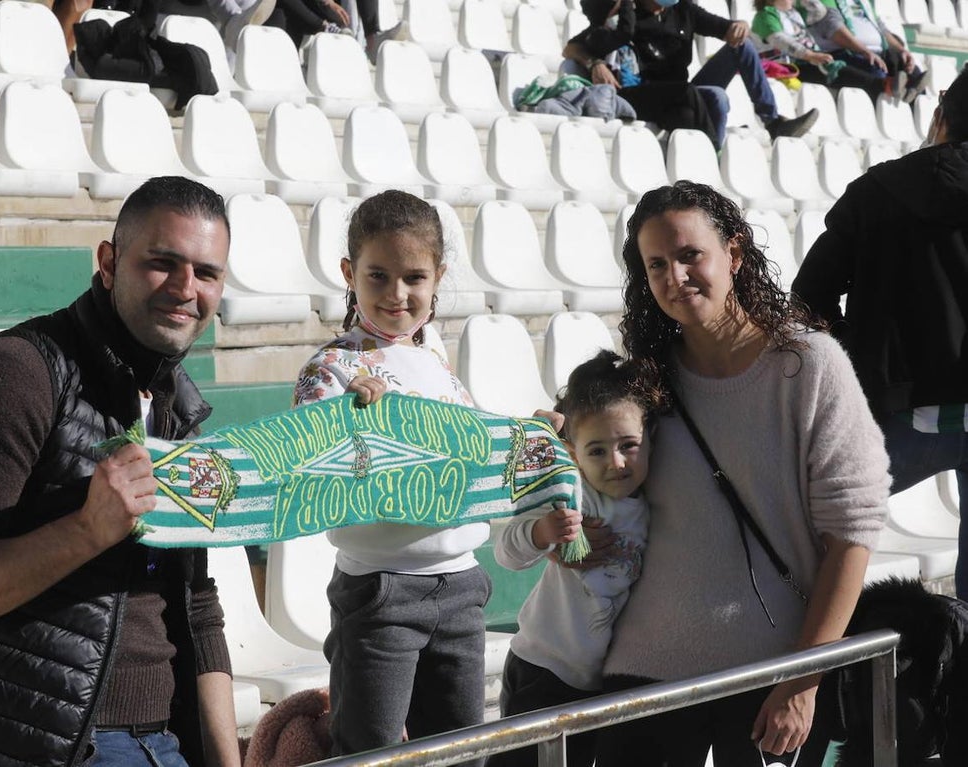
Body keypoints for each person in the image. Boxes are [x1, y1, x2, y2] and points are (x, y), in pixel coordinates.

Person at [0, 177, 243, 767]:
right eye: (161, 263)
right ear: (107, 261)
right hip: (48, 744)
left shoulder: (176, 403)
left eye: (206, 273)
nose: (184, 289)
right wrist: (87, 529)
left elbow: (196, 601)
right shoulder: (15, 370)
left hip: (166, 740)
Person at [591, 181, 890, 766]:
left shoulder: (809, 366)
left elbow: (852, 535)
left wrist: (802, 679)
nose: (674, 277)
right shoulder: (643, 380)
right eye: (656, 265)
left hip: (770, 675)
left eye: (688, 255)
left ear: (734, 252)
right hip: (645, 668)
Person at [292, 190, 491, 760]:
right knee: (369, 754)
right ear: (349, 274)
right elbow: (313, 471)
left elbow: (474, 455)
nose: (397, 294)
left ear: (438, 278)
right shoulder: (331, 368)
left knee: (460, 753)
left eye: (414, 277)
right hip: (379, 592)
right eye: (378, 275)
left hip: (462, 586)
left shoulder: (437, 361)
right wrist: (342, 420)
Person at [792, 69, 968, 598]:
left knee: (801, 523)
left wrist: (865, 360)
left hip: (896, 417)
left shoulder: (875, 191)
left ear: (940, 117)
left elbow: (807, 298)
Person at [489, 350, 663, 767]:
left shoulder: (657, 504)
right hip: (541, 669)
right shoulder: (573, 498)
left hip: (597, 682)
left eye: (629, 445)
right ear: (573, 453)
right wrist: (543, 533)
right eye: (597, 451)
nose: (616, 462)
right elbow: (507, 553)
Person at [567, 0, 819, 148]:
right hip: (650, 92)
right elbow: (572, 47)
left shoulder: (683, 10)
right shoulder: (628, 16)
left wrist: (739, 27)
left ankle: (773, 122)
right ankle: (713, 152)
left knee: (743, 45)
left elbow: (726, 29)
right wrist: (593, 62)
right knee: (716, 98)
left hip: (686, 89)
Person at [750, 0, 886, 100]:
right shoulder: (764, 16)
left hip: (808, 62)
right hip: (790, 67)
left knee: (853, 65)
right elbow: (781, 41)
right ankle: (881, 86)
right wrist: (810, 55)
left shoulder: (795, 13)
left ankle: (890, 85)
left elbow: (819, 11)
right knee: (835, 69)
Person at [807, 0, 929, 103]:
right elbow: (833, 28)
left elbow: (881, 28)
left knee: (911, 69)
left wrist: (902, 50)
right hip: (846, 52)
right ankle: (897, 93)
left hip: (878, 52)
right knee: (877, 71)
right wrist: (864, 51)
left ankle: (911, 94)